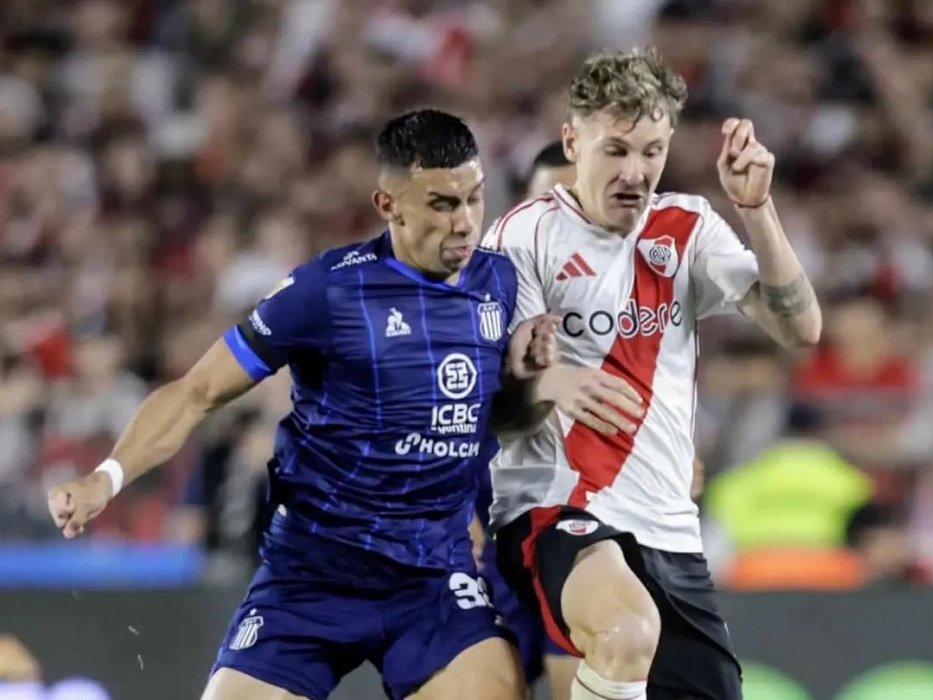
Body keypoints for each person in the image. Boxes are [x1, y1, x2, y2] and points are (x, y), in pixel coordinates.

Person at [46, 109, 644, 700]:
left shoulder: (502, 284)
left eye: (473, 198)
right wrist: (106, 477)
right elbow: (196, 391)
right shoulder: (328, 290)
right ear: (389, 205)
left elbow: (504, 422)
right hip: (313, 574)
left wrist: (525, 383)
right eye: (441, 204)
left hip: (432, 578)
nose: (465, 222)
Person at [484, 49, 822, 700]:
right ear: (572, 142)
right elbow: (497, 403)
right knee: (626, 632)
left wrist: (757, 210)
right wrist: (549, 384)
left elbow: (800, 326)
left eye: (651, 151)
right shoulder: (523, 237)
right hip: (558, 511)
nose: (634, 172)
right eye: (615, 150)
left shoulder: (686, 227)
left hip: (666, 525)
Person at [470, 142, 580, 700]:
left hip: (583, 540)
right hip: (489, 544)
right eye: (547, 204)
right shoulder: (477, 303)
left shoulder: (631, 306)